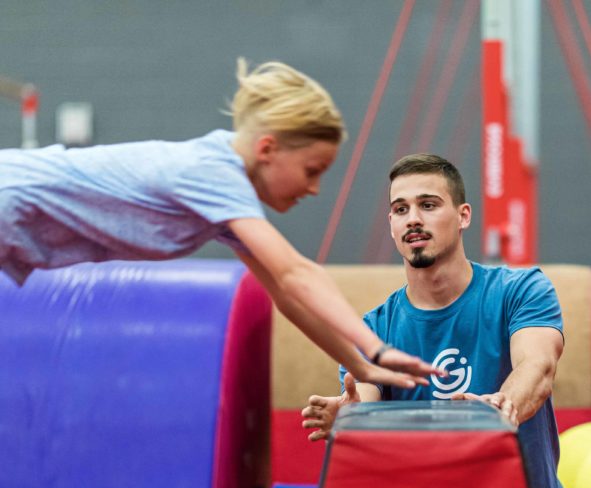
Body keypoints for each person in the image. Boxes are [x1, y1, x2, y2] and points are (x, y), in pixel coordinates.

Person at [0, 59, 435, 387]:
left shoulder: (225, 195)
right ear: (267, 149)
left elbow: (286, 295)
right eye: (312, 170)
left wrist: (361, 365)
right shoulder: (214, 172)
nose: (316, 188)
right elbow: (296, 272)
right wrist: (376, 345)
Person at [281, 153, 573, 488]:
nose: (412, 218)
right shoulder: (373, 329)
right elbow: (368, 397)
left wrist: (502, 407)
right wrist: (352, 415)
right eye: (400, 209)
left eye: (428, 204)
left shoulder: (519, 290)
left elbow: (536, 367)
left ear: (462, 216)